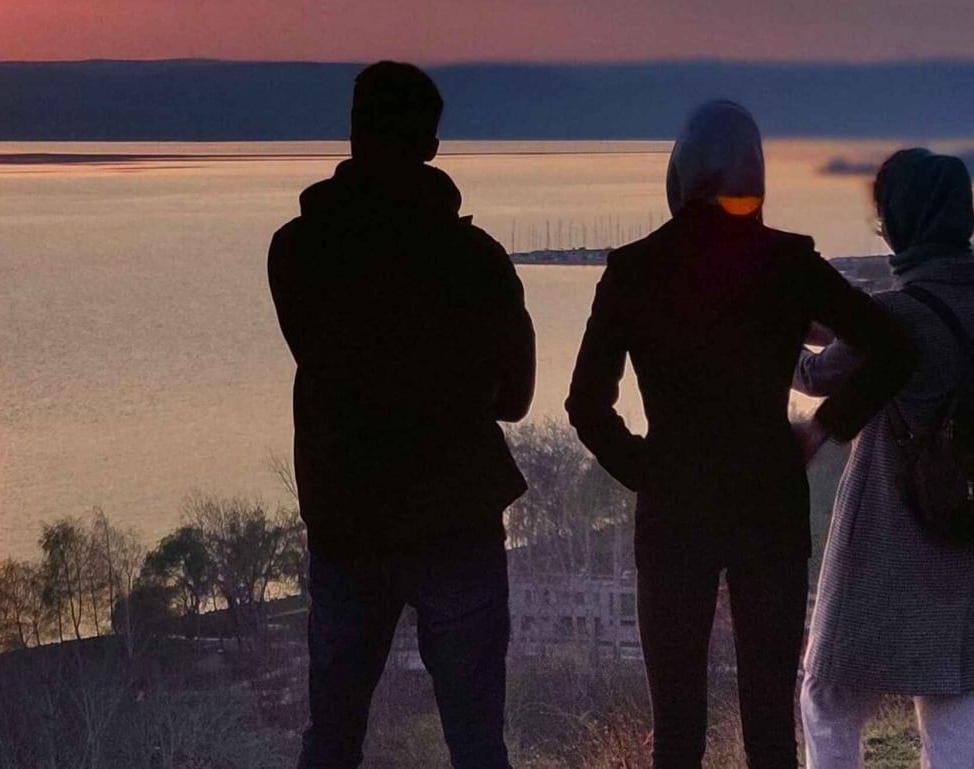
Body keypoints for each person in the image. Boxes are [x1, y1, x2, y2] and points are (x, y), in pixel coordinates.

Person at [565, 100, 913, 769]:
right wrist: (825, 427)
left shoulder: (634, 268)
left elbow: (586, 405)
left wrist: (647, 470)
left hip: (673, 510)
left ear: (680, 174)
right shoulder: (790, 261)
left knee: (676, 730)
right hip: (768, 501)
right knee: (770, 728)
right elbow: (893, 348)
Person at [268, 61, 535, 769]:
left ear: (354, 133)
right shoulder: (477, 261)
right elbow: (515, 398)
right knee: (478, 745)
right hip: (456, 518)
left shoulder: (296, 251)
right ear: (431, 146)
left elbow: (330, 364)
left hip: (347, 518)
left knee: (332, 740)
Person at [797, 148, 974, 768]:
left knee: (828, 691)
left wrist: (773, 327)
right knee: (954, 689)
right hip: (966, 530)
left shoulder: (898, 312)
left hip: (889, 530)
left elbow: (817, 376)